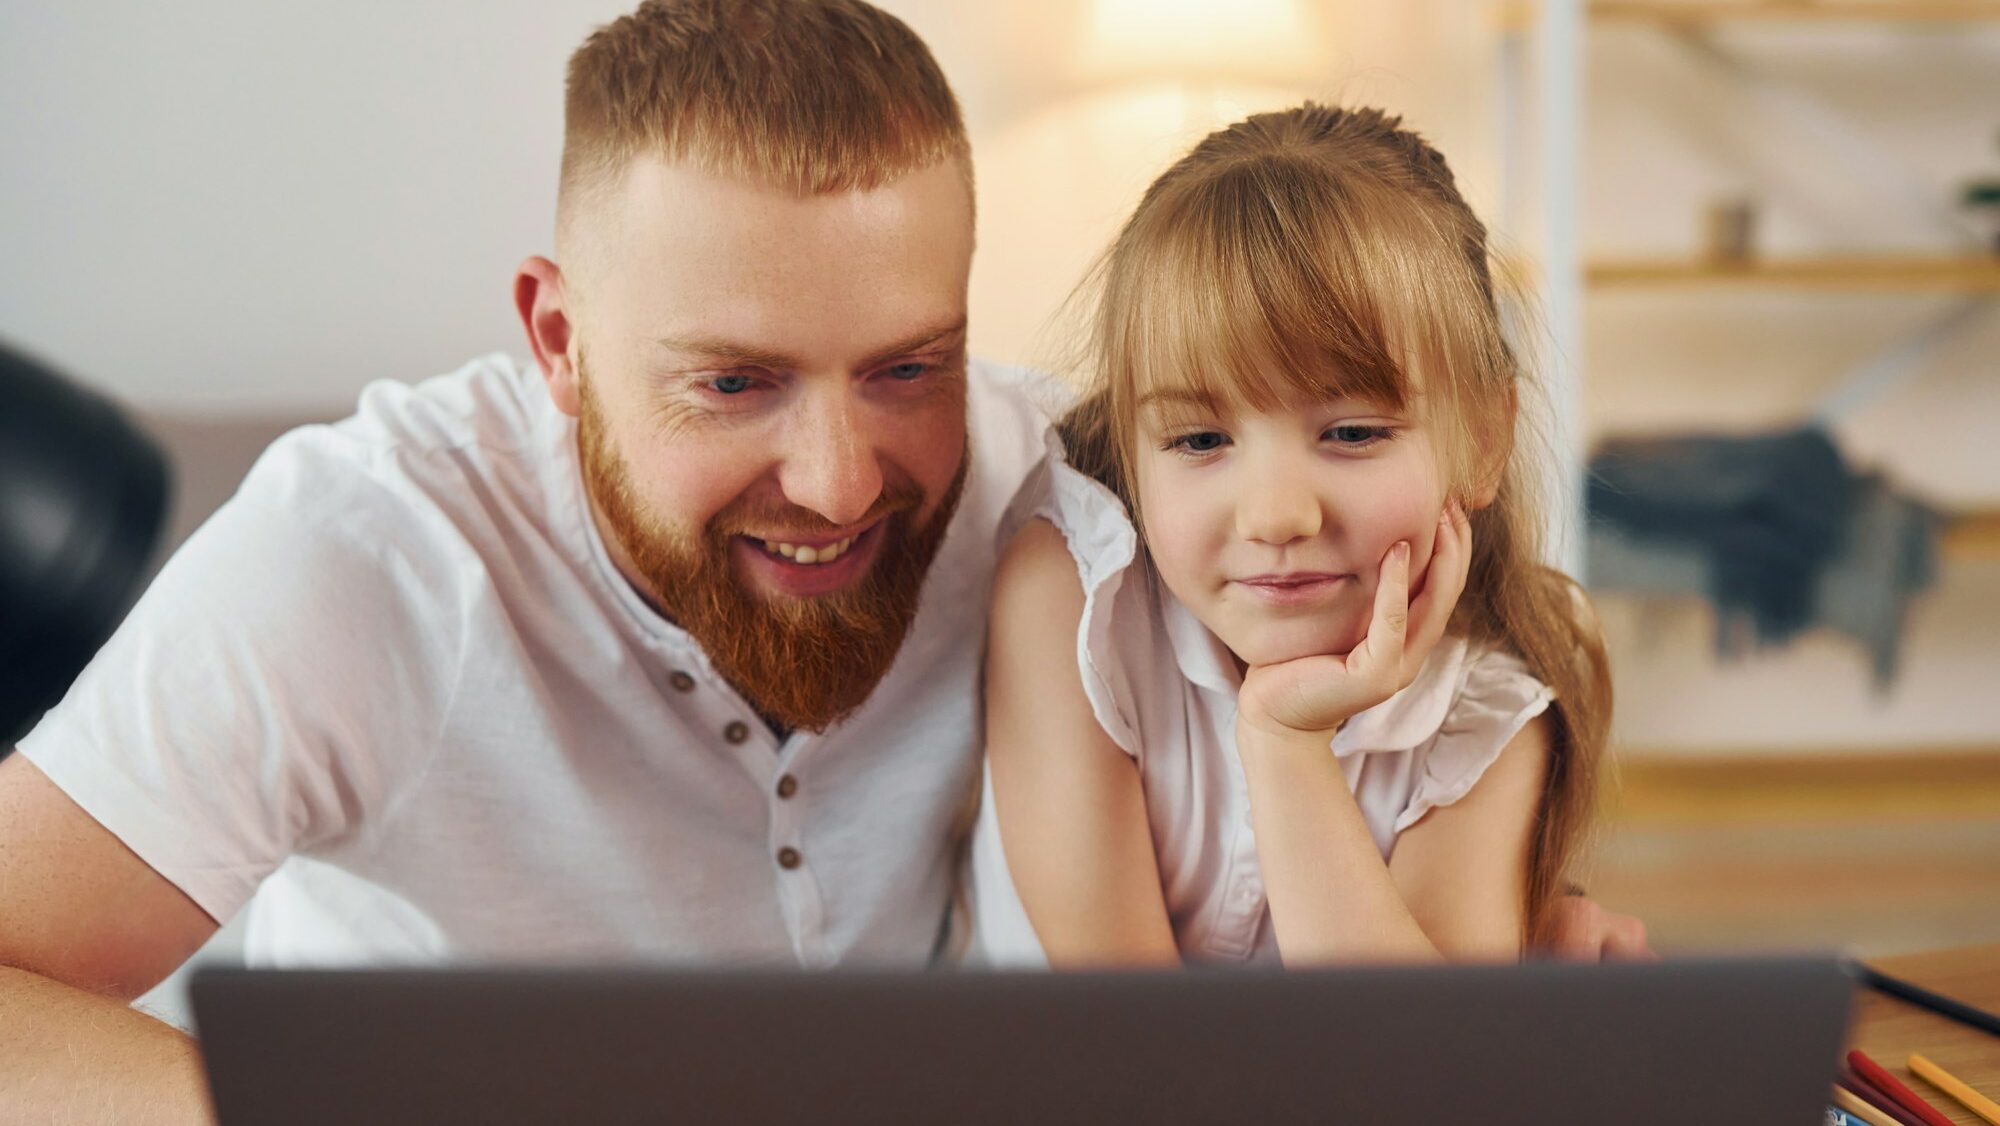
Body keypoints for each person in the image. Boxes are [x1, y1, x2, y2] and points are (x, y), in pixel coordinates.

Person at [0, 5, 1648, 1122]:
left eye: (906, 363)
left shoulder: (1065, 504)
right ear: (560, 342)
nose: (841, 479)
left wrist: (1501, 937)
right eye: (734, 381)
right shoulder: (357, 565)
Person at [969, 104, 1619, 968]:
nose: (1276, 516)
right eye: (1199, 441)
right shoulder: (1074, 608)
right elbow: (1134, 1062)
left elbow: (1416, 1081)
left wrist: (1287, 746)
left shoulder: (1482, 718)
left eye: (1352, 433)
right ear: (1131, 452)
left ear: (1486, 440)